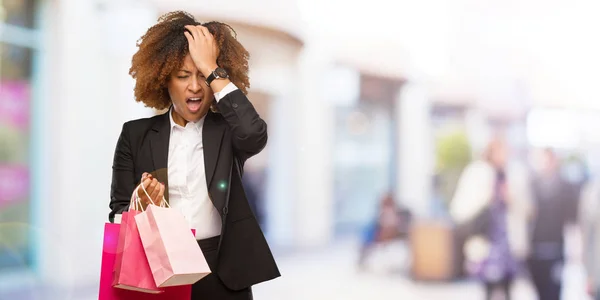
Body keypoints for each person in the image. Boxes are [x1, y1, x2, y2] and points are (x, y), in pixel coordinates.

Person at [108, 11, 280, 299]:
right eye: (183, 75)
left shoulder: (228, 131)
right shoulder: (135, 135)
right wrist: (141, 205)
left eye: (203, 76)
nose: (195, 86)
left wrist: (212, 67)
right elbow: (117, 210)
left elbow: (253, 134)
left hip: (223, 273)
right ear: (164, 79)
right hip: (158, 269)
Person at [450, 137, 532, 300]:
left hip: (509, 242)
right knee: (488, 287)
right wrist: (487, 196)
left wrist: (510, 197)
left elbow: (529, 209)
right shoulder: (477, 173)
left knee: (509, 288)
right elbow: (460, 207)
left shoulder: (514, 174)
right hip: (486, 240)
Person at [528, 149, 580, 300]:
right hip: (535, 249)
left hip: (556, 248)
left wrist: (575, 248)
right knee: (540, 291)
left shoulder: (565, 187)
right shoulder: (532, 186)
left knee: (554, 291)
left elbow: (573, 220)